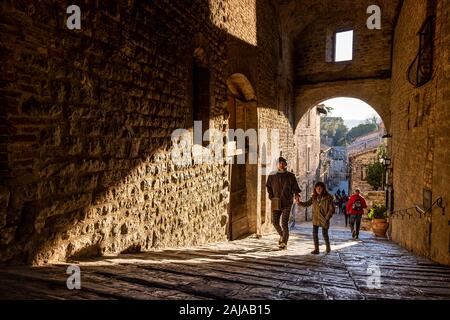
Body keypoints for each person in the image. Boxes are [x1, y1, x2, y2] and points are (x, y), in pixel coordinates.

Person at [266, 157, 301, 249]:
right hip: (276, 202)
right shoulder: (272, 175)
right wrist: (271, 196)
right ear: (277, 164)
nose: (281, 164)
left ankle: (284, 242)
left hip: (287, 202)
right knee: (275, 222)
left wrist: (297, 195)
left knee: (284, 223)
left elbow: (295, 188)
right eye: (279, 163)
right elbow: (268, 187)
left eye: (283, 163)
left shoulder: (290, 176)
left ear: (285, 164)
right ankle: (282, 235)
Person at [297, 182, 335, 254]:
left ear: (323, 188)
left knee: (325, 234)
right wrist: (299, 202)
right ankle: (316, 249)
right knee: (315, 234)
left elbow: (332, 209)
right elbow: (306, 204)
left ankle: (328, 247)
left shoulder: (328, 197)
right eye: (317, 188)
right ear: (315, 189)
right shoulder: (314, 197)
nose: (318, 190)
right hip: (316, 218)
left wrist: (327, 218)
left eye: (320, 188)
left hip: (324, 218)